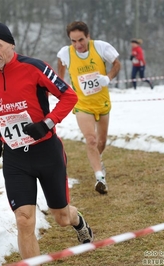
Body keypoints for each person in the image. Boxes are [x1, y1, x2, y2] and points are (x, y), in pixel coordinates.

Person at [0, 22, 94, 260]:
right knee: (23, 219)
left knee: (61, 217)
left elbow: (69, 96)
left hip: (46, 153)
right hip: (15, 157)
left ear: (11, 44)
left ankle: (78, 221)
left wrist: (47, 123)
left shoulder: (35, 67)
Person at [57, 21, 121, 195]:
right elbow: (61, 65)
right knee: (91, 140)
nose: (78, 45)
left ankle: (98, 163)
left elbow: (117, 64)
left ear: (88, 37)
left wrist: (108, 78)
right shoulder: (66, 53)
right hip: (82, 104)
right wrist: (61, 85)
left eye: (81, 40)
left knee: (101, 142)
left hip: (102, 103)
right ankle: (100, 177)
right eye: (73, 41)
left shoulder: (100, 48)